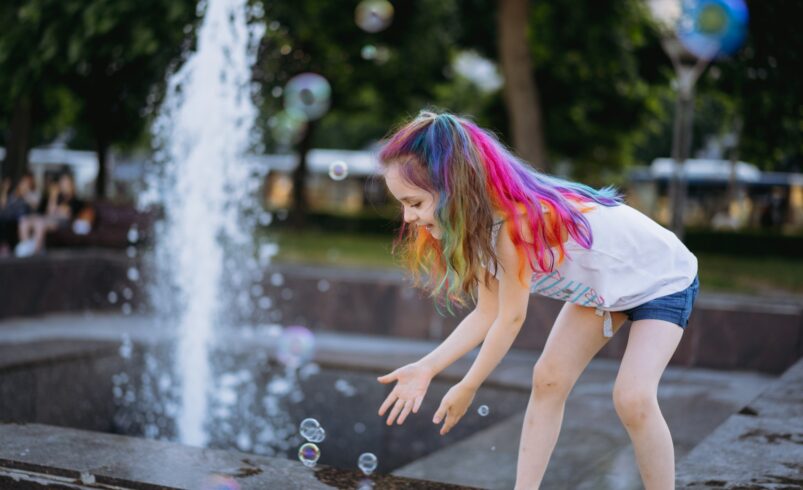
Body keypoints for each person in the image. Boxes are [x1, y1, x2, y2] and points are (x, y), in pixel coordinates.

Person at [375, 111, 698, 490]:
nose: (408, 217)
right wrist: (427, 368)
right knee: (547, 380)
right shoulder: (480, 229)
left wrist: (468, 384)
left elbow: (511, 320)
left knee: (632, 397)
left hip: (662, 278)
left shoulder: (517, 225)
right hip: (605, 291)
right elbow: (486, 313)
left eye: (414, 203)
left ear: (454, 188)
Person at [16, 173, 83, 256]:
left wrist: (56, 209)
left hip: (63, 223)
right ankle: (26, 246)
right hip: (50, 219)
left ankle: (36, 251)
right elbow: (49, 212)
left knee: (40, 223)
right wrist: (53, 196)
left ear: (71, 184)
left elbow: (63, 214)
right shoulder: (57, 197)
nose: (63, 185)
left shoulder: (75, 200)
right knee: (24, 220)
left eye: (66, 183)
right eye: (62, 183)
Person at [0, 173, 39, 256]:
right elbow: (3, 205)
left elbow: (35, 205)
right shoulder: (13, 194)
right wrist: (5, 190)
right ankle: (4, 245)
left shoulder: (30, 194)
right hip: (9, 217)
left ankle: (9, 246)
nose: (24, 184)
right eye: (23, 182)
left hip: (23, 219)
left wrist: (26, 192)